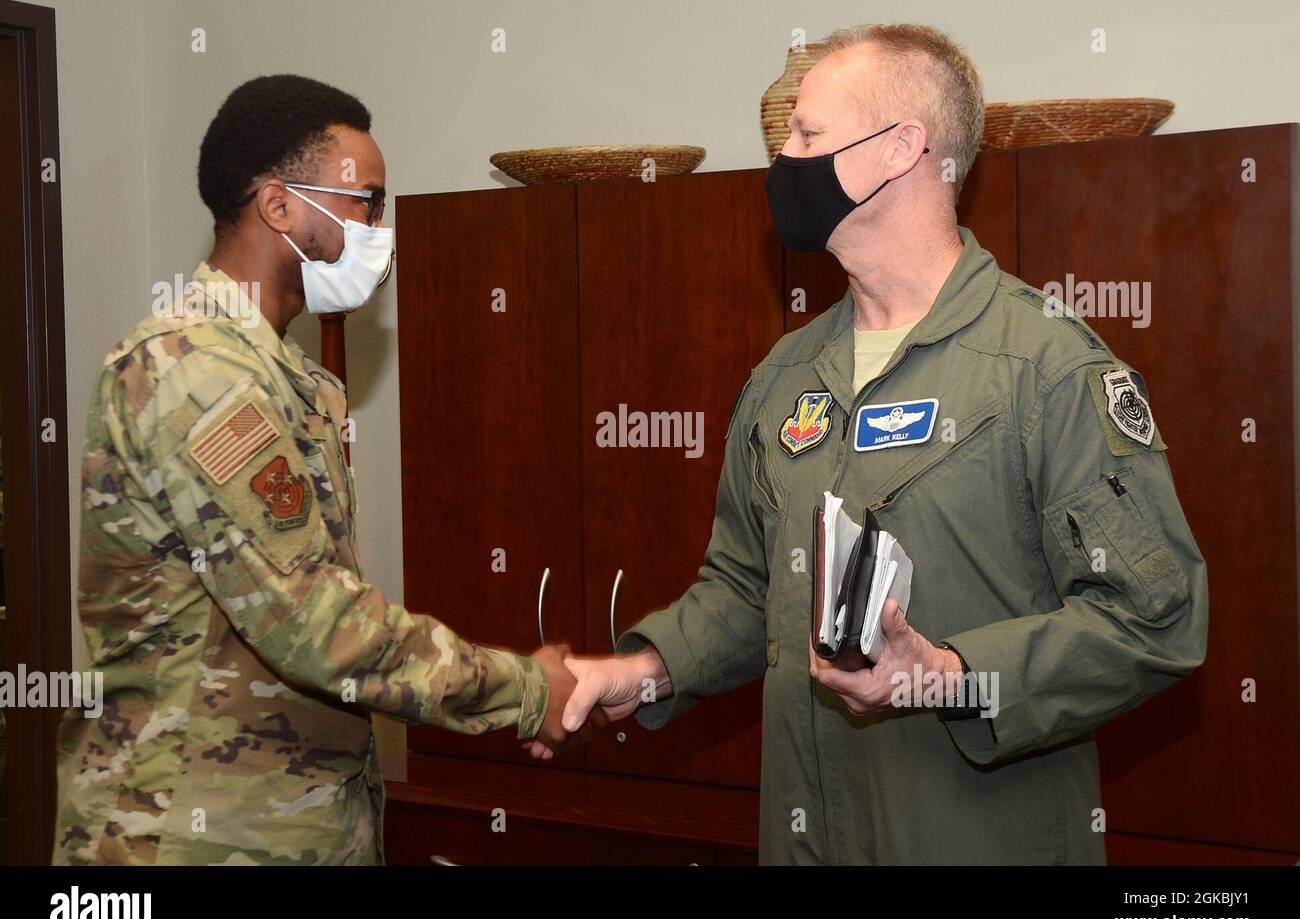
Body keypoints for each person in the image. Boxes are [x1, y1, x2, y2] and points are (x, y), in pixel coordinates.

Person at [547, 24, 1209, 864]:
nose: (781, 160)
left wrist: (949, 672)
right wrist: (642, 671)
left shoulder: (1045, 370)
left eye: (807, 135)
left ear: (902, 150)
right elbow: (751, 591)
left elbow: (1156, 620)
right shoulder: (784, 378)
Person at [54, 74, 592, 865]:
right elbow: (319, 627)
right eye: (366, 202)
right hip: (181, 837)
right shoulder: (195, 372)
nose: (380, 228)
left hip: (290, 827)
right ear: (279, 206)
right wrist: (527, 691)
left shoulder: (285, 379)